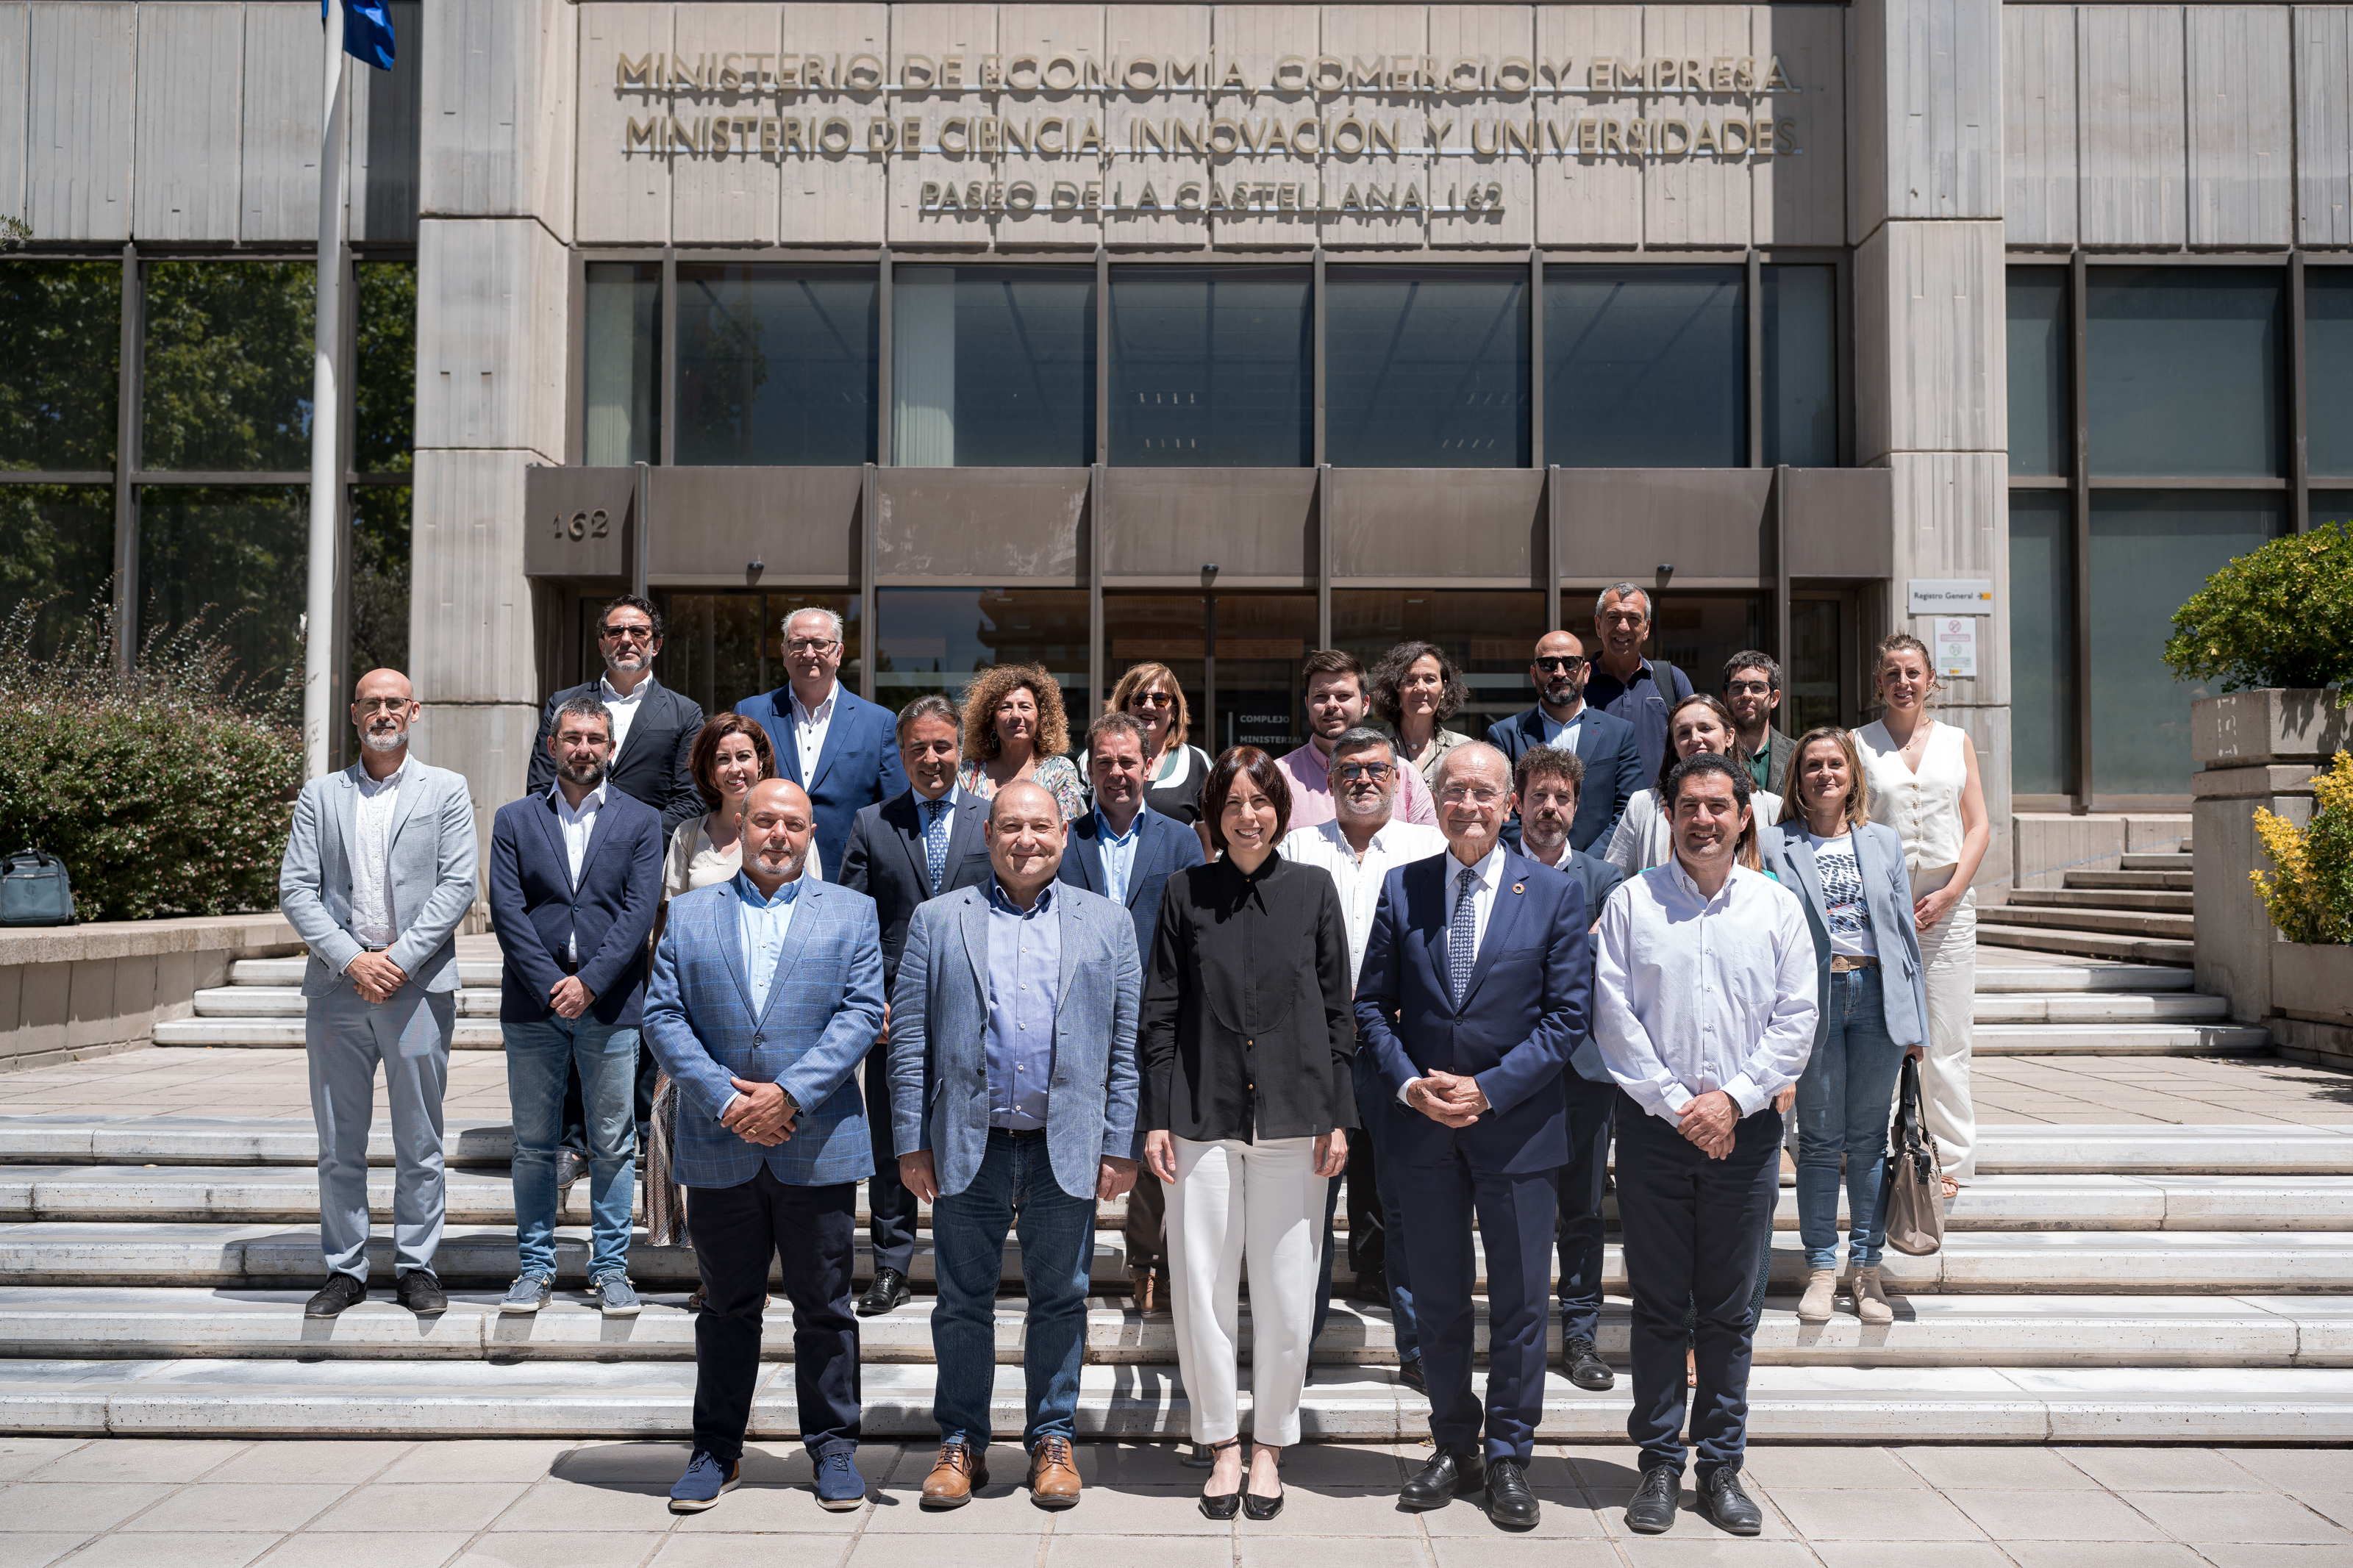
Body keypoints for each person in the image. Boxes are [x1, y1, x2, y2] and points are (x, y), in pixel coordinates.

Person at [1355, 742, 1592, 1533]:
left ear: (1512, 803)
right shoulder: (1403, 887)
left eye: (1484, 793)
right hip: (1422, 1130)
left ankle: (1510, 1455)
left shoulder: (1554, 895)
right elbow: (1368, 1007)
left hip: (1517, 1131)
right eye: (1452, 791)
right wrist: (1410, 1084)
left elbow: (1565, 1018)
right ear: (1433, 799)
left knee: (1523, 1303)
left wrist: (1488, 1090)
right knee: (1439, 1300)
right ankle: (1454, 1445)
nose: (1467, 806)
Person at [890, 781, 1145, 1512]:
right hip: (968, 1145)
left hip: (1062, 1144)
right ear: (987, 835)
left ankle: (1051, 1440)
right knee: (961, 1304)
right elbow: (909, 1043)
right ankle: (960, 1443)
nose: (1024, 839)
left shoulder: (1106, 922)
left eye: (1039, 826)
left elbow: (1123, 1047)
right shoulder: (938, 920)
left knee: (1060, 1301)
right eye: (1009, 826)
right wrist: (911, 1141)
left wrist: (1119, 1141)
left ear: (1062, 835)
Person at [641, 778, 886, 1516]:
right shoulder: (687, 915)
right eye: (765, 822)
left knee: (825, 1306)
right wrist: (725, 1098)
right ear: (740, 827)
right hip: (719, 1141)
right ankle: (716, 1448)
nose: (778, 835)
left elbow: (859, 1012)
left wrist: (788, 1095)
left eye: (794, 825)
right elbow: (662, 1014)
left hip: (817, 1140)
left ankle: (834, 1447)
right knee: (724, 1306)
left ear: (813, 835)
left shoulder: (851, 912)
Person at [1592, 753, 1817, 1539]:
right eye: (1688, 806)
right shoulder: (1630, 904)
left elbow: (1796, 1018)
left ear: (1743, 814)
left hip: (1745, 1134)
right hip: (1656, 1134)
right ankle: (1657, 1459)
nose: (1703, 821)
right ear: (1669, 814)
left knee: (1726, 1310)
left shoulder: (1775, 907)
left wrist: (1732, 1100)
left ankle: (1720, 1464)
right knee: (1658, 1305)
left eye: (1718, 807)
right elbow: (1613, 1018)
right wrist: (1679, 1105)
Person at [1142, 747, 1354, 1522]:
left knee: (1285, 1290)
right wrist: (1156, 1117)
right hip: (1200, 1116)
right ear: (1211, 814)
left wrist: (1338, 1115)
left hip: (1296, 1121)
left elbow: (1338, 1014)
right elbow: (1159, 1013)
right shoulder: (1182, 893)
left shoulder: (1312, 890)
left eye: (1259, 801)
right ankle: (1219, 1443)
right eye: (1230, 803)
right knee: (1199, 1287)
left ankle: (1269, 1445)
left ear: (1279, 809)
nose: (1246, 816)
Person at [279, 668, 479, 1319]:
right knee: (340, 1139)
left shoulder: (446, 789)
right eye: (373, 703)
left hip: (417, 992)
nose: (384, 712)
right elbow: (297, 890)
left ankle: (417, 1265)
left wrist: (394, 960)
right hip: (339, 994)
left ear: (414, 710)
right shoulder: (320, 795)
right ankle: (346, 1269)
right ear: (355, 714)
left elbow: (457, 886)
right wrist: (351, 960)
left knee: (420, 1136)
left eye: (395, 702)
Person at [1279, 727, 1446, 1393]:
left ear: (1401, 779)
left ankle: (1417, 1347)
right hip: (1316, 1052)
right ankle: (1298, 1346)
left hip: (1400, 1047)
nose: (1364, 778)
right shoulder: (1296, 846)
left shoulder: (1426, 848)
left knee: (1407, 1203)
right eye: (1349, 768)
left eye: (1378, 767)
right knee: (1306, 1205)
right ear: (1329, 779)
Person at [486, 695, 664, 1317]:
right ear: (552, 745)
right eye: (572, 737)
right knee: (535, 1144)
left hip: (611, 1001)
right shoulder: (514, 819)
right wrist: (551, 984)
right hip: (533, 1004)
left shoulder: (642, 821)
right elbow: (506, 912)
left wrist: (587, 983)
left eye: (595, 738)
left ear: (610, 749)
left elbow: (639, 912)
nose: (583, 748)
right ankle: (534, 1267)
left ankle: (610, 1267)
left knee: (614, 1143)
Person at [1762, 728, 1930, 1327]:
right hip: (1815, 998)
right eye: (1813, 765)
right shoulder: (1775, 842)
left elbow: (1905, 934)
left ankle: (1866, 1270)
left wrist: (1917, 1022)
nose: (1825, 773)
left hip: (1879, 993)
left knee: (1868, 1141)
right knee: (1818, 1140)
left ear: (1853, 775)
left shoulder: (1883, 840)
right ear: (1797, 777)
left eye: (1835, 764)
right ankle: (1820, 1268)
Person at [837, 694, 995, 1317]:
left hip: (976, 1007)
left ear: (961, 750)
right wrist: (867, 998)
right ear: (901, 755)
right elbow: (854, 919)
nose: (931, 758)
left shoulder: (990, 819)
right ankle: (891, 1267)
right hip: (892, 1013)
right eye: (917, 748)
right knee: (893, 1141)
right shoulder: (872, 823)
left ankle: (966, 1261)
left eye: (942, 746)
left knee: (968, 1134)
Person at [1057, 710, 1206, 1316]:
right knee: (1076, 1148)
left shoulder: (1180, 839)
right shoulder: (1069, 836)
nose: (1116, 773)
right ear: (1088, 770)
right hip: (1079, 1018)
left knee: (1154, 1146)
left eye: (1127, 761)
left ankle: (1149, 1266)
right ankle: (1067, 1271)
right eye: (1104, 763)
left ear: (1149, 765)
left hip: (1160, 1019)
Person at [1854, 632, 1991, 1198]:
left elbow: (1980, 825)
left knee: (1947, 1038)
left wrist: (1952, 892)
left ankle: (1952, 1159)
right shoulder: (1857, 743)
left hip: (1946, 904)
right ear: (1879, 682)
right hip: (1878, 906)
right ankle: (1867, 1150)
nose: (1904, 682)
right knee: (1877, 1035)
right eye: (1893, 672)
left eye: (1913, 672)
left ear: (1931, 679)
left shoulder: (1958, 741)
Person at [649, 715, 780, 1280]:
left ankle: (763, 1270)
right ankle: (715, 1274)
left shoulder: (784, 827)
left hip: (772, 1012)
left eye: (744, 756)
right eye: (723, 758)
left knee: (767, 1141)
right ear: (708, 768)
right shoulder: (688, 835)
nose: (734, 768)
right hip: (702, 1014)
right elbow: (666, 924)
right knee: (704, 1147)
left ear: (761, 762)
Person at [1510, 744, 1625, 1392]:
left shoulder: (1603, 881)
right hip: (1511, 1070)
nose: (1549, 808)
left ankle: (1580, 1333)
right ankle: (1521, 1333)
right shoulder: (1492, 871)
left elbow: (1602, 966)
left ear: (1577, 808)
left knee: (1581, 1209)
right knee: (1517, 1207)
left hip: (1584, 1069)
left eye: (1562, 798)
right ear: (1516, 802)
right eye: (1539, 796)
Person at [737, 605, 909, 879]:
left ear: (839, 653)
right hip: (765, 873)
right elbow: (734, 795)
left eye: (820, 644)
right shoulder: (751, 713)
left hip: (848, 876)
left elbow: (894, 812)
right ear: (784, 652)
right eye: (798, 643)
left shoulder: (877, 723)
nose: (808, 653)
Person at [525, 593, 707, 835]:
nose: (626, 639)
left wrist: (633, 839)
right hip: (569, 846)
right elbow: (541, 785)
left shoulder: (685, 713)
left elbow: (689, 801)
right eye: (615, 631)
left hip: (646, 857)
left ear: (656, 646)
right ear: (603, 645)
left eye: (639, 632)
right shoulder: (562, 702)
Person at [1487, 630, 1642, 854]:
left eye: (1570, 663)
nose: (1560, 673)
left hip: (1598, 874)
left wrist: (1587, 866)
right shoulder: (1505, 734)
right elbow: (1498, 808)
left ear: (1586, 672)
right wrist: (1537, 858)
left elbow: (1629, 811)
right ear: (1533, 674)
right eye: (1548, 664)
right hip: (1528, 869)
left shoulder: (1619, 733)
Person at [1605, 695, 1783, 875]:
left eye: (1705, 728)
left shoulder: (1771, 807)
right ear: (1674, 745)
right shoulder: (1642, 804)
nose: (1695, 739)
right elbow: (1614, 879)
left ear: (1729, 737)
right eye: (1683, 732)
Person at [1276, 649, 1438, 833]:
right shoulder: (1279, 778)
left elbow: (1431, 851)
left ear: (1365, 704)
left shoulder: (1404, 774)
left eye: (1343, 696)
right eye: (1320, 696)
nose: (1332, 704)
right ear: (1307, 704)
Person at [1584, 583, 1696, 784]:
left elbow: (1696, 746)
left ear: (1646, 628)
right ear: (1598, 625)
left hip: (1662, 809)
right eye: (1613, 617)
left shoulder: (1671, 680)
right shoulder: (1579, 684)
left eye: (1634, 618)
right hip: (1600, 813)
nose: (1623, 627)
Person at [956, 663, 1087, 822]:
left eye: (1025, 707)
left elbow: (1072, 836)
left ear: (1040, 718)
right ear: (991, 721)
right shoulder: (969, 773)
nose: (1016, 715)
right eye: (1005, 707)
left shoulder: (1060, 772)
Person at [1104, 662, 1213, 830]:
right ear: (1125, 706)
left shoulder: (1195, 761)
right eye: (1138, 698)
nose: (1148, 706)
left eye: (1160, 699)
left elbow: (1208, 840)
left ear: (1174, 711)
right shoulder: (1095, 759)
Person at [1370, 640, 1474, 786]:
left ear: (1443, 689)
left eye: (1429, 679)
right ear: (1395, 688)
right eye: (1410, 680)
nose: (1420, 688)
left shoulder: (1464, 748)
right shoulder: (1370, 747)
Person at [1723, 651, 1796, 798]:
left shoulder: (1797, 755)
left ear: (1774, 699)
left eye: (1757, 687)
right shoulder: (1713, 752)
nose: (1746, 694)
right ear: (1726, 697)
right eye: (1737, 687)